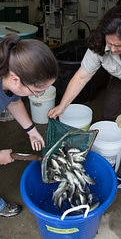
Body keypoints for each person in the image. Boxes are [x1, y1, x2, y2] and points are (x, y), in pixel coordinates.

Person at [48, 5, 121, 180]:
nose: (111, 49)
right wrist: (62, 105)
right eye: (109, 43)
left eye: (118, 45)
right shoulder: (98, 43)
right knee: (110, 109)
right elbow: (82, 76)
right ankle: (114, 141)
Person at [0, 33, 58, 217]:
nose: (39, 95)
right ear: (16, 79)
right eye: (38, 91)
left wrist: (31, 130)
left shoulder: (9, 74)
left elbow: (14, 101)